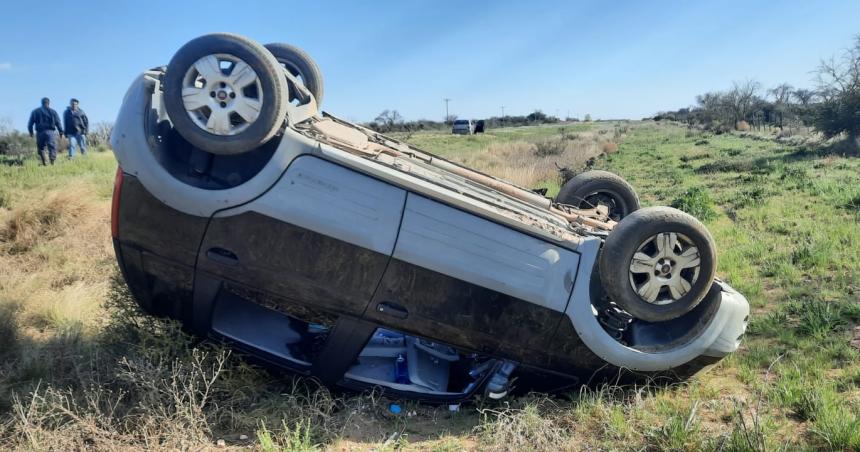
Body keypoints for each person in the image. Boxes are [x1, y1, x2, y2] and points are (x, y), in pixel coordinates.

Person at [27, 97, 64, 166]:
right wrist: (61, 132)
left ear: (41, 103)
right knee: (52, 147)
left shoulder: (35, 111)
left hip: (40, 132)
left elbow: (30, 123)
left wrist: (31, 132)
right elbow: (58, 122)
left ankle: (45, 162)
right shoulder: (53, 112)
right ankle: (52, 162)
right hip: (50, 132)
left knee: (41, 148)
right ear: (49, 103)